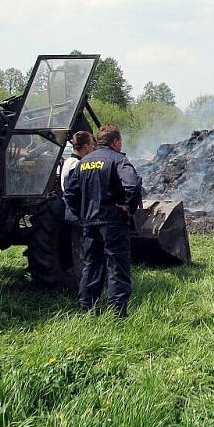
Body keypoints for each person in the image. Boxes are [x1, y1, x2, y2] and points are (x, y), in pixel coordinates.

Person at [64, 124, 142, 318]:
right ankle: (118, 313)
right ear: (115, 141)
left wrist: (81, 214)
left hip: (90, 222)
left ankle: (86, 308)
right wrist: (129, 209)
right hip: (113, 223)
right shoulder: (118, 160)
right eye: (120, 141)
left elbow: (70, 192)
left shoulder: (83, 162)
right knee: (117, 265)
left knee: (91, 264)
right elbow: (133, 184)